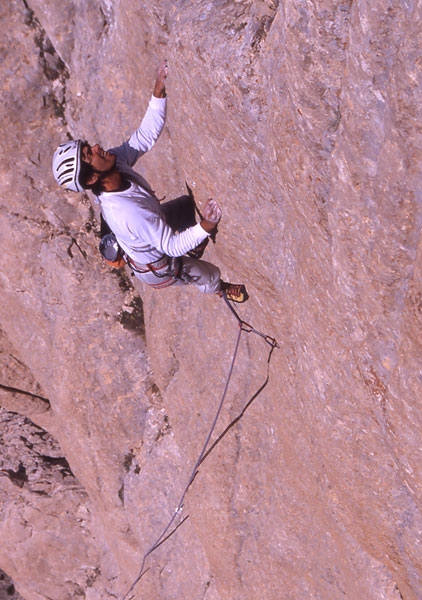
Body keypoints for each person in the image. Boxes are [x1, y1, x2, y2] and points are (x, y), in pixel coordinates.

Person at [52, 60, 248, 303]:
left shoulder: (115, 166)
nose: (95, 147)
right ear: (92, 177)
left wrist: (158, 92)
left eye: (86, 147)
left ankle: (195, 246)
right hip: (157, 264)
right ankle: (221, 289)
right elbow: (171, 246)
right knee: (206, 274)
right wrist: (206, 226)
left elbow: (143, 138)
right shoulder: (126, 212)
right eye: (88, 154)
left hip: (150, 227)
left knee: (188, 205)